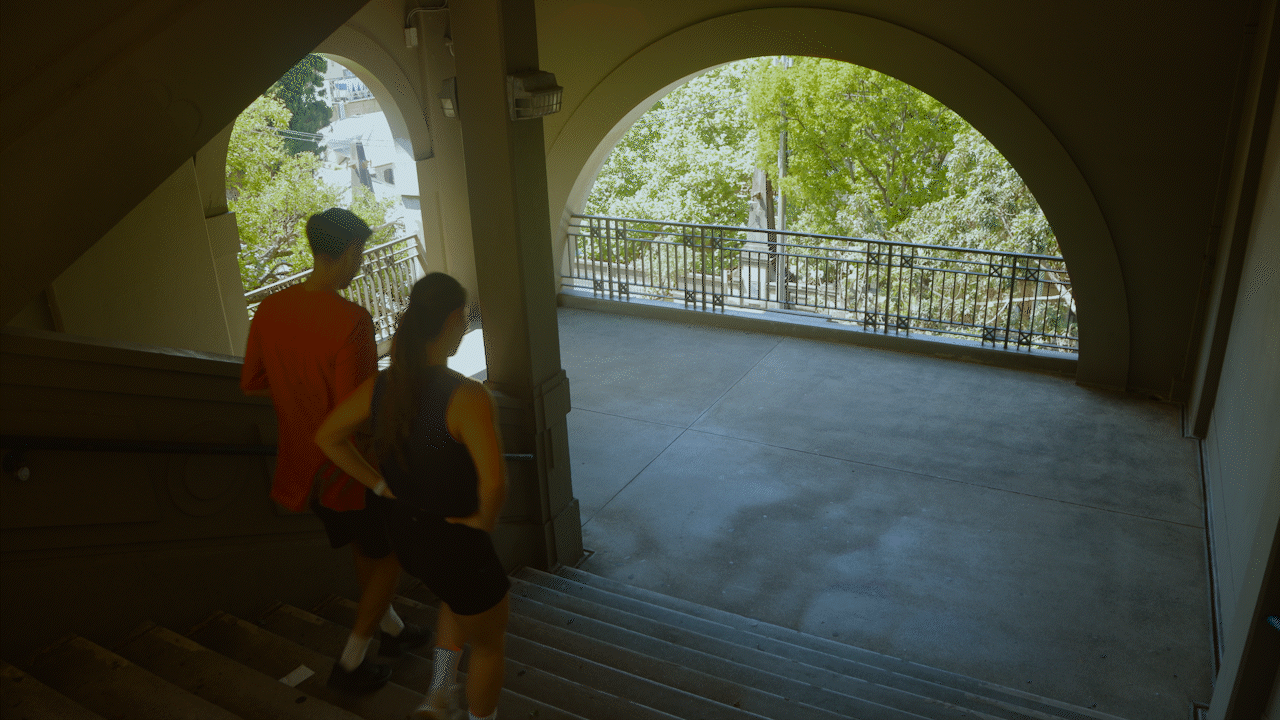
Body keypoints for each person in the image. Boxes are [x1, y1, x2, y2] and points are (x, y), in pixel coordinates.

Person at [241, 208, 429, 694]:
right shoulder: (352, 320)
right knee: (387, 560)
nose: (361, 263)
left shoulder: (269, 309)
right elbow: (360, 409)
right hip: (354, 468)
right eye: (360, 253)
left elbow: (253, 380)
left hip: (305, 466)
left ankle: (393, 630)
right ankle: (350, 663)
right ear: (347, 252)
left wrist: (301, 391)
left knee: (364, 547)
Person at [315, 273, 510, 720]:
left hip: (408, 534)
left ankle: (440, 694)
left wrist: (380, 486)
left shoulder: (382, 386)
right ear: (455, 320)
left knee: (451, 598)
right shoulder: (467, 396)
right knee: (488, 647)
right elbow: (495, 483)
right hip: (457, 542)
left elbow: (327, 436)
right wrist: (485, 520)